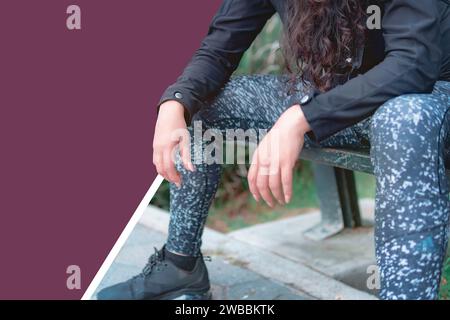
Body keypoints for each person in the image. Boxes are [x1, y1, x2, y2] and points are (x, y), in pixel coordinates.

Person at [97, 0, 450, 300]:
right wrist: (175, 103)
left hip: (426, 99)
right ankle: (179, 265)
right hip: (331, 96)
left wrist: (301, 118)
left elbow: (412, 64)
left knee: (403, 120)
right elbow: (220, 48)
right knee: (201, 104)